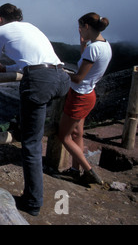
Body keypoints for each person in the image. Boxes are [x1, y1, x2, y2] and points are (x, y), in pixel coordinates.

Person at [0, 3, 70, 216]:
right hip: (62, 78)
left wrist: (0, 69)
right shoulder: (30, 27)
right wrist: (12, 68)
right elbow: (31, 61)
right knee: (30, 117)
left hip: (39, 82)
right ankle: (22, 124)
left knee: (31, 145)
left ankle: (32, 203)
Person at [57, 13, 112, 185]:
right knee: (77, 133)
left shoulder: (93, 49)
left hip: (79, 96)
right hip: (88, 94)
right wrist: (83, 46)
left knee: (64, 136)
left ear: (87, 27)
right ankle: (75, 170)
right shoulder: (104, 45)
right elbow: (87, 66)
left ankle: (88, 171)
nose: (79, 31)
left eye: (80, 27)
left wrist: (61, 72)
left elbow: (79, 77)